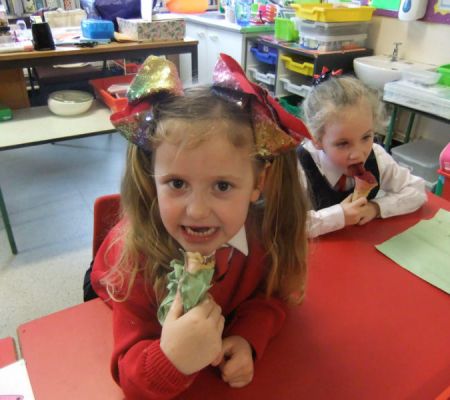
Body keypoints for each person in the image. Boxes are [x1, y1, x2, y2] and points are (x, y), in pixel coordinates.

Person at [90, 54, 311, 399]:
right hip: (112, 284)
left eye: (222, 186)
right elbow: (129, 375)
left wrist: (248, 336)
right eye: (177, 183)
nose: (196, 211)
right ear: (152, 178)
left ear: (258, 183)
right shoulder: (134, 260)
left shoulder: (263, 238)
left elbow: (270, 296)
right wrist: (170, 360)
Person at [298, 75, 427, 238]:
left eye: (366, 137)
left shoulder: (377, 156)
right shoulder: (299, 167)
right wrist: (338, 216)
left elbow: (417, 191)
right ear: (316, 140)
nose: (358, 154)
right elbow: (282, 225)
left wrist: (376, 208)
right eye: (343, 143)